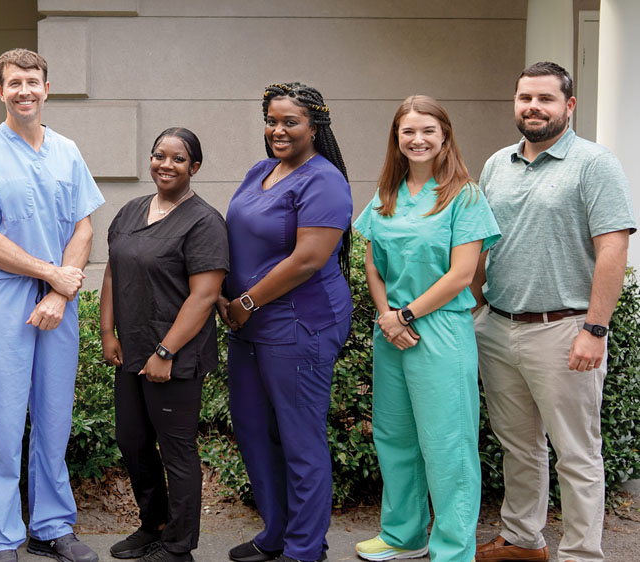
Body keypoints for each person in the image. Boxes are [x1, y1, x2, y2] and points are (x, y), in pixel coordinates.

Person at [472, 61, 635, 562]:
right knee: (518, 447)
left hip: (564, 330)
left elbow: (613, 248)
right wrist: (476, 310)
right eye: (525, 98)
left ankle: (583, 554)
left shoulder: (594, 162)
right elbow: (482, 245)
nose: (533, 107)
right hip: (498, 327)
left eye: (545, 99)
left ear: (568, 105)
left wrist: (595, 329)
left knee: (577, 454)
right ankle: (523, 539)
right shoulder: (498, 163)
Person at [0, 48, 104, 562]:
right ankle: (4, 538)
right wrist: (50, 275)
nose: (24, 91)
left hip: (59, 299)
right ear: (0, 91)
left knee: (55, 416)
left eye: (32, 81)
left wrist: (61, 292)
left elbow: (84, 224)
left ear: (46, 87)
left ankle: (51, 526)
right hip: (3, 297)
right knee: (3, 418)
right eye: (14, 83)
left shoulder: (67, 151)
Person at [351, 95, 500, 562]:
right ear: (396, 139)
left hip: (439, 331)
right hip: (390, 329)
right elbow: (374, 264)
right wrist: (387, 317)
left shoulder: (464, 196)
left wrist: (407, 315)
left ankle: (453, 550)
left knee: (447, 444)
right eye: (407, 132)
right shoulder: (386, 195)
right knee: (395, 437)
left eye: (427, 131)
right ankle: (403, 535)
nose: (417, 139)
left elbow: (462, 274)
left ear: (445, 136)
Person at [220, 82, 353, 562]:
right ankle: (274, 532)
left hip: (301, 324)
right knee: (255, 431)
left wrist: (247, 302)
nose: (278, 130)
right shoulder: (262, 170)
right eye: (272, 120)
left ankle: (304, 548)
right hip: (247, 326)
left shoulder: (324, 180)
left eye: (290, 121)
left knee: (299, 439)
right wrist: (219, 291)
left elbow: (308, 259)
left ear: (315, 125)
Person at [100, 128, 228, 562]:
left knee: (177, 451)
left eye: (178, 159)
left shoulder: (204, 222)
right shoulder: (131, 211)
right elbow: (113, 272)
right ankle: (152, 525)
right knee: (132, 441)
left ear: (194, 167)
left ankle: (178, 546)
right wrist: (107, 331)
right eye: (159, 156)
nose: (165, 165)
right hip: (131, 351)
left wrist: (165, 352)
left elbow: (204, 296)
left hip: (175, 357)